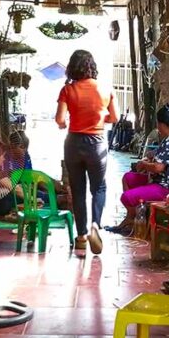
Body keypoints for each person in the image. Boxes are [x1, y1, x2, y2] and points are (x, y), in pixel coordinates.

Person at [56, 50, 118, 254]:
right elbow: (114, 118)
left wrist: (65, 122)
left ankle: (81, 236)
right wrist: (101, 118)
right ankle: (95, 225)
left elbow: (60, 119)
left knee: (78, 190)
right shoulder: (105, 89)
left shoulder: (67, 90)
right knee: (98, 187)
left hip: (73, 142)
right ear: (92, 66)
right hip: (97, 143)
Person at [108, 104, 169, 236]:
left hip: (167, 188)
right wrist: (151, 155)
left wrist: (144, 165)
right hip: (161, 181)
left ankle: (136, 220)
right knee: (128, 178)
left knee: (126, 197)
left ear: (162, 124)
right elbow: (162, 155)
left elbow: (158, 167)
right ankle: (131, 217)